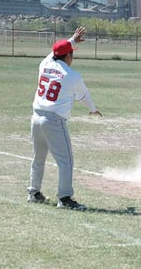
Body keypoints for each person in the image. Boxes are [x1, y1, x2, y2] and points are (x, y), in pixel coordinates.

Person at [28, 27, 102, 210]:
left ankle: (34, 192)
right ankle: (65, 198)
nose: (72, 57)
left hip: (36, 117)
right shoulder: (72, 76)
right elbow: (84, 96)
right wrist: (93, 110)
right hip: (54, 120)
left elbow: (55, 52)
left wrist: (73, 40)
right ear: (68, 57)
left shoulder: (45, 63)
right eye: (71, 54)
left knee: (38, 158)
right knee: (66, 161)